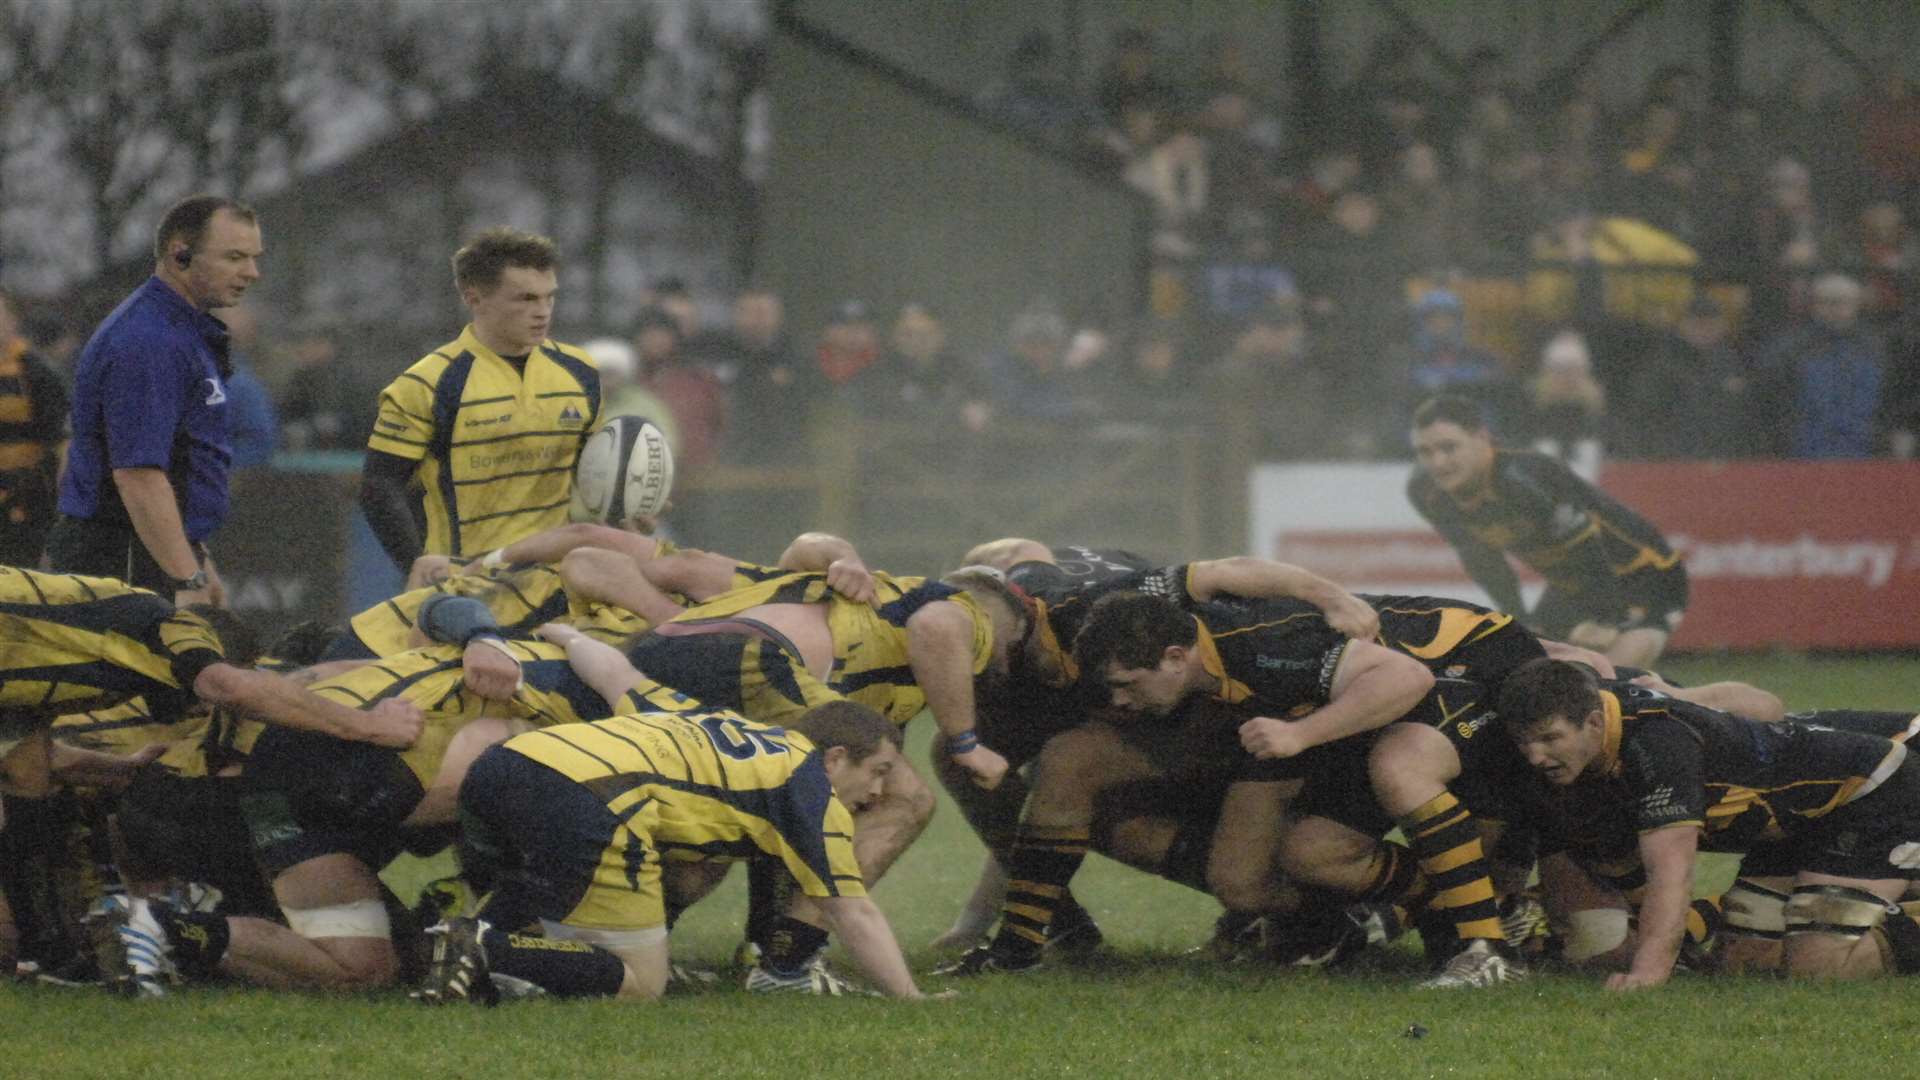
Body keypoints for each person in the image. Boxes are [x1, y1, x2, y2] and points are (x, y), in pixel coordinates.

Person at [416, 701, 939, 1003]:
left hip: (506, 764)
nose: (876, 794)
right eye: (878, 773)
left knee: (534, 892)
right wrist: (911, 999)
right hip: (590, 794)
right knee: (644, 982)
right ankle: (481, 948)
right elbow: (853, 910)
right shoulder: (809, 788)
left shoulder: (755, 738)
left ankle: (442, 956)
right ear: (837, 758)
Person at [1497, 659, 1920, 986]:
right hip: (1792, 823)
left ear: (1592, 722)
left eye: (1550, 739)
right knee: (1744, 963)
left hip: (1870, 794)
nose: (1535, 757)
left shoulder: (1657, 744)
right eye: (1524, 743)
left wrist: (1648, 974)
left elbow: (1672, 874)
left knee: (1819, 967)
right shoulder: (1584, 701)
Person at [0, 566, 421, 804]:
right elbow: (231, 687)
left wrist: (119, 770)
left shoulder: (60, 666)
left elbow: (26, 766)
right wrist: (369, 726)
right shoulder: (168, 623)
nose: (204, 715)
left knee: (28, 798)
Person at [48, 195, 262, 604]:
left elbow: (181, 458)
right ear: (179, 253)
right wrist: (187, 579)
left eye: (253, 257)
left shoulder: (181, 329)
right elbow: (138, 476)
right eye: (234, 257)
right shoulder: (149, 340)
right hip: (122, 555)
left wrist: (197, 557)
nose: (252, 272)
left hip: (148, 551)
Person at [360, 228, 600, 571]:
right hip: (466, 579)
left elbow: (593, 467)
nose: (543, 312)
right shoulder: (426, 384)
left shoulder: (580, 371)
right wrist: (416, 563)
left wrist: (628, 507)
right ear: (474, 299)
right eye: (526, 299)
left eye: (550, 297)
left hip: (559, 577)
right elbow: (379, 485)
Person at [1408, 394, 1688, 668]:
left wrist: (1606, 619)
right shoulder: (1427, 492)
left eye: (1449, 448)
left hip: (1646, 578)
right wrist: (1517, 620)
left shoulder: (1521, 478)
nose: (1438, 463)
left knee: (1604, 688)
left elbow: (1585, 545)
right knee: (1528, 676)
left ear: (1482, 437)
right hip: (1574, 584)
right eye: (1425, 452)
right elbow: (1484, 562)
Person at [0, 288, 71, 568]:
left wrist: (63, 512)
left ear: (13, 321)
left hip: (24, 507)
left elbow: (63, 444)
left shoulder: (35, 373)